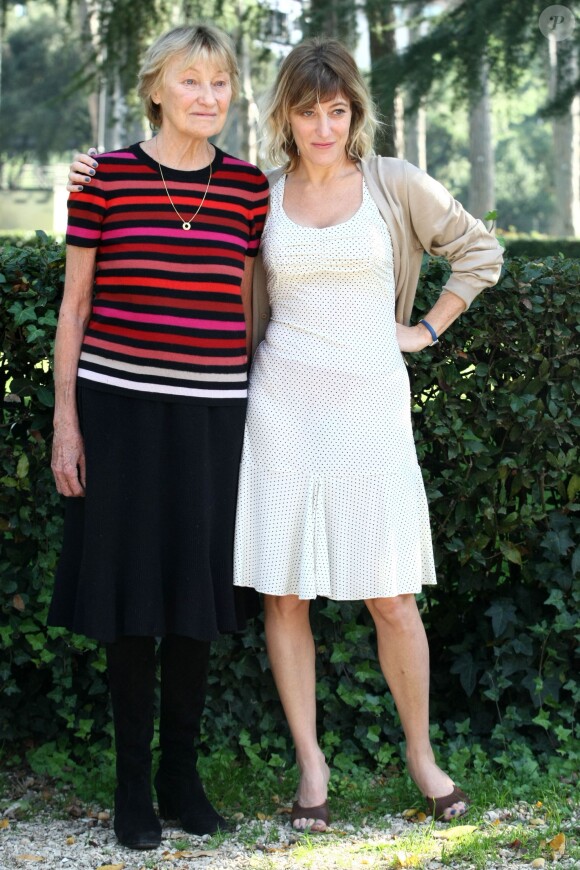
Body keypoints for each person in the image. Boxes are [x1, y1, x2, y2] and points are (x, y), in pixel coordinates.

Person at [67, 38, 503, 834]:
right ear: (286, 117)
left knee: (393, 594)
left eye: (337, 111)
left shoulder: (390, 183)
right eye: (308, 111)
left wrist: (427, 331)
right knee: (285, 593)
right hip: (279, 406)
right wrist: (91, 171)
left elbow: (480, 250)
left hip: (369, 405)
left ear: (355, 114)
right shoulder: (258, 194)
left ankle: (422, 757)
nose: (324, 126)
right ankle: (311, 767)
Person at [51, 24, 268, 851]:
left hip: (213, 417)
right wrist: (66, 424)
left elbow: (251, 311)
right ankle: (130, 789)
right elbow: (73, 310)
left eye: (220, 82)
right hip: (119, 417)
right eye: (190, 80)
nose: (207, 95)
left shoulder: (250, 189)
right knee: (131, 602)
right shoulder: (103, 178)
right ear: (156, 88)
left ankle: (181, 776)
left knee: (192, 603)